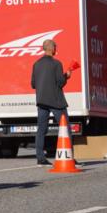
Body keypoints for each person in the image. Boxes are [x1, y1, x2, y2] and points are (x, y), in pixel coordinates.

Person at [31, 38, 72, 166]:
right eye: (55, 47)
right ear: (52, 48)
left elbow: (33, 84)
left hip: (41, 101)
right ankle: (70, 157)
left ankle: (40, 158)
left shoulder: (36, 64)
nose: (56, 49)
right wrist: (67, 76)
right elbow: (60, 83)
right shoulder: (56, 64)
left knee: (41, 130)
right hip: (56, 101)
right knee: (65, 128)